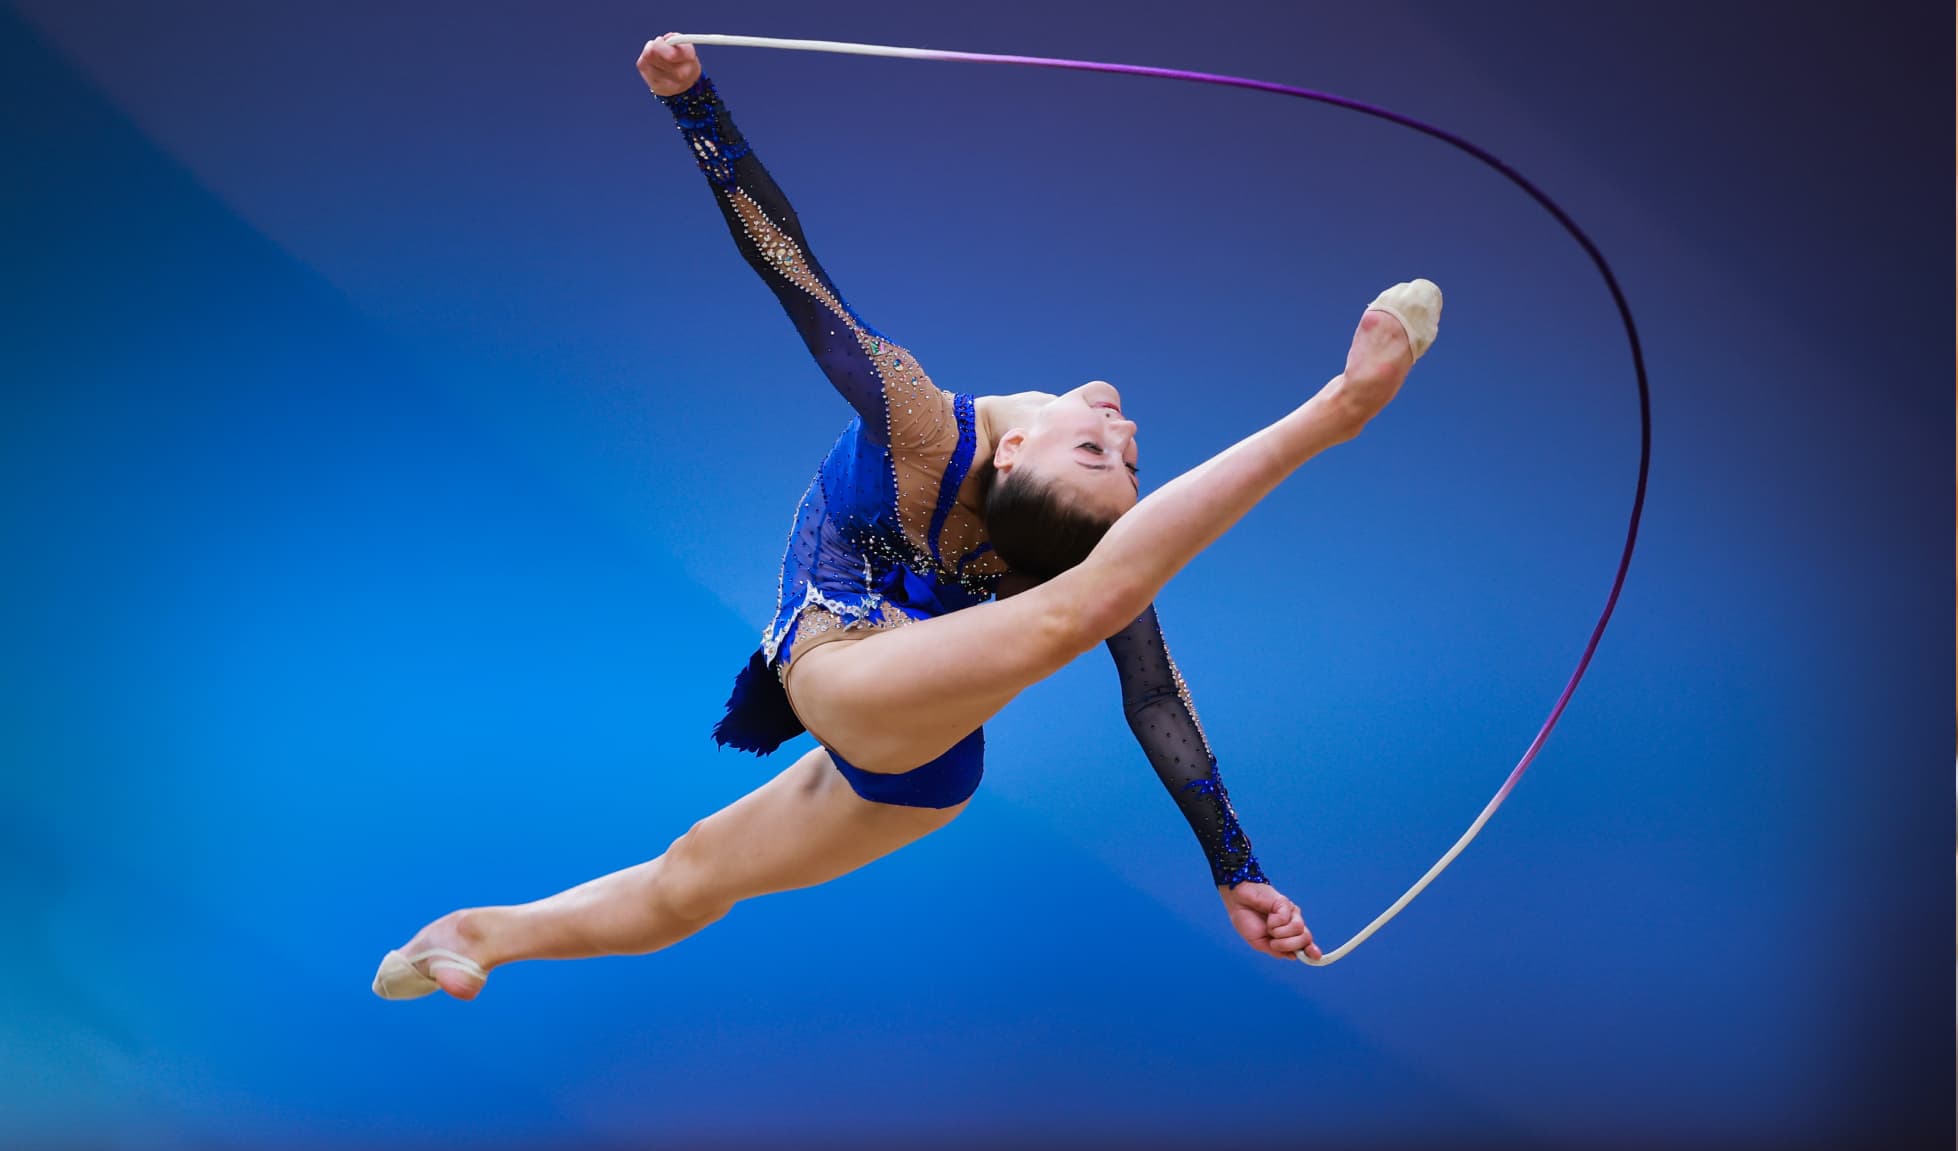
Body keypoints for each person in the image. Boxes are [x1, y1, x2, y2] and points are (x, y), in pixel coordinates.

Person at [372, 34, 1443, 999]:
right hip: (843, 664)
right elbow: (792, 273)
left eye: (1117, 458)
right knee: (1061, 619)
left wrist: (1236, 869)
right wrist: (694, 107)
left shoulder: (1054, 533)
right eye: (1112, 451)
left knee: (692, 876)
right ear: (1011, 450)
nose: (1121, 429)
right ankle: (1328, 417)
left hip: (924, 764)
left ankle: (475, 935)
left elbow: (1153, 695)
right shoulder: (922, 425)